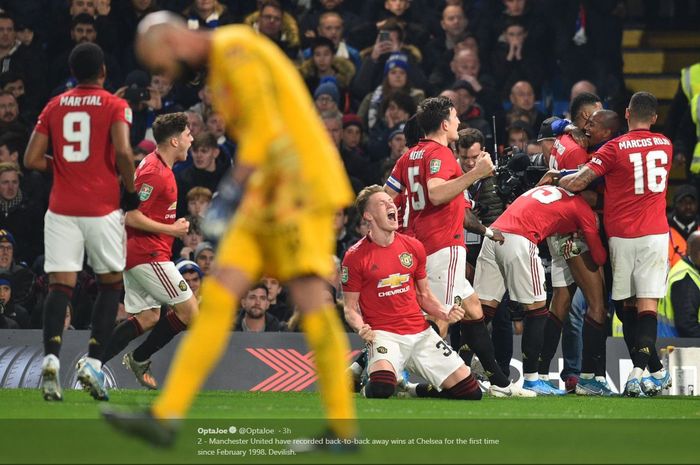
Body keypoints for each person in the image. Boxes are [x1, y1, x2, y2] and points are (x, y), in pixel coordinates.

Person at [102, 12, 357, 447]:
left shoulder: (237, 49)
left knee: (311, 299)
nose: (164, 73)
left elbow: (267, 128)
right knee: (217, 296)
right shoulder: (222, 69)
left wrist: (232, 190)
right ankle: (166, 417)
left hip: (300, 187)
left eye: (160, 62)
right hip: (265, 192)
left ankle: (341, 428)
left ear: (174, 39)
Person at [384, 96, 531, 397]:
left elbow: (386, 196)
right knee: (439, 318)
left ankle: (501, 384)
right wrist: (477, 172)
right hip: (441, 246)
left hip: (418, 243)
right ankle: (387, 371)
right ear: (444, 124)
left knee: (473, 310)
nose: (459, 123)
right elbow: (437, 194)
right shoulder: (441, 154)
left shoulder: (409, 156)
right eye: (455, 117)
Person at [23, 42, 139, 401]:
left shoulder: (55, 105)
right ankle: (92, 364)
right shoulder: (115, 105)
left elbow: (30, 158)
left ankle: (52, 361)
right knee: (110, 283)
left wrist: (60, 167)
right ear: (103, 70)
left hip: (61, 209)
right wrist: (130, 189)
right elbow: (122, 150)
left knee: (60, 286)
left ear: (72, 72)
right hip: (101, 209)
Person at [552, 91, 673, 397]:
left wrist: (556, 179)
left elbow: (579, 182)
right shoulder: (667, 145)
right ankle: (653, 372)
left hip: (621, 238)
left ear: (628, 114)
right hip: (656, 235)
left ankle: (637, 373)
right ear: (655, 118)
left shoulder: (613, 149)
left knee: (625, 308)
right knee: (646, 307)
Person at [342, 185, 481, 401]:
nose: (391, 204)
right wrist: (361, 328)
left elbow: (423, 295)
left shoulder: (413, 246)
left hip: (421, 333)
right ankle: (366, 385)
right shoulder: (355, 257)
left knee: (471, 393)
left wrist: (444, 313)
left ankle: (412, 389)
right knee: (381, 388)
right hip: (384, 335)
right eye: (382, 203)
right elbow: (350, 308)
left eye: (390, 201)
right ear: (368, 215)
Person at [96, 113, 198, 391]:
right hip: (147, 253)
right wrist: (172, 230)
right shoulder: (154, 172)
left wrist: (171, 227)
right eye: (189, 134)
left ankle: (93, 366)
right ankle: (139, 359)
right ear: (175, 140)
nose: (192, 139)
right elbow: (129, 215)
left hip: (141, 252)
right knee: (190, 311)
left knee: (149, 317)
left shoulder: (160, 167)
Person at [474, 185, 608, 396]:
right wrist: (590, 232)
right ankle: (532, 380)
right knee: (536, 310)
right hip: (519, 240)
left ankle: (460, 370)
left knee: (480, 313)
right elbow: (599, 258)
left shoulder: (551, 188)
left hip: (494, 235)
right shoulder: (583, 209)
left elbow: (546, 214)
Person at [537, 108, 619, 396]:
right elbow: (578, 190)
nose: (588, 128)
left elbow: (557, 124)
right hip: (575, 233)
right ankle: (587, 377)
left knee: (560, 301)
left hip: (557, 232)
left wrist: (569, 125)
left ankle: (538, 373)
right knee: (597, 305)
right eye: (588, 122)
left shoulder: (563, 139)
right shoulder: (577, 154)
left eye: (592, 124)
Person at [658, 231, 700, 337]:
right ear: (689, 250)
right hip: (677, 344)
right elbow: (687, 325)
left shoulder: (689, 270)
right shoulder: (685, 279)